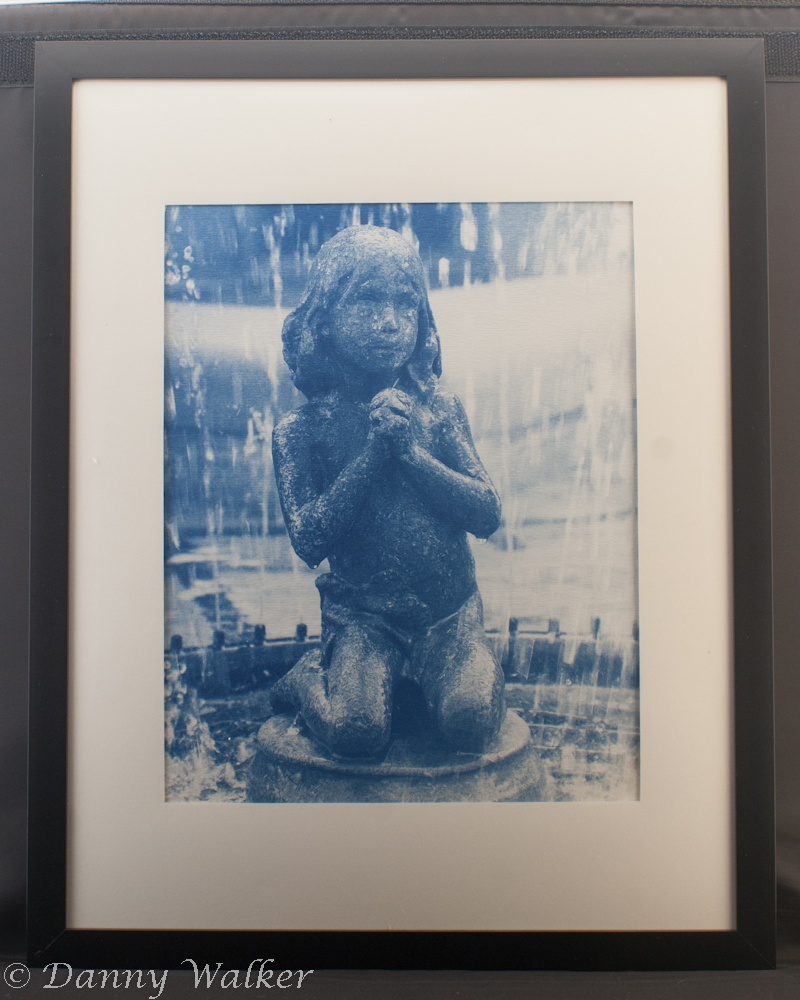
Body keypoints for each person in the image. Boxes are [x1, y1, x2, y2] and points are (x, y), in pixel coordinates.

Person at [270, 225, 505, 758]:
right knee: (356, 735)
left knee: (471, 723)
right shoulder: (301, 431)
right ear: (324, 318)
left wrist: (411, 455)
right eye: (367, 301)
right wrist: (374, 455)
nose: (390, 323)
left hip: (448, 617)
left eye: (406, 304)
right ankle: (309, 677)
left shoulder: (438, 409)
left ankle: (453, 669)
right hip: (364, 621)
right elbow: (309, 540)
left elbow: (487, 513)